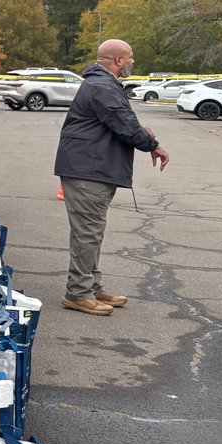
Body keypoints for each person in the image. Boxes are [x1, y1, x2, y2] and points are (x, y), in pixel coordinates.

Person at [53, 39, 169, 316]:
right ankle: (78, 293)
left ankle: (91, 286)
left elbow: (120, 121)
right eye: (130, 57)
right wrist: (152, 144)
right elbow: (124, 124)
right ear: (118, 60)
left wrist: (144, 134)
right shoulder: (102, 86)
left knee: (92, 233)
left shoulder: (102, 84)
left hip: (92, 168)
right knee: (87, 233)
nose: (132, 62)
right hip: (88, 171)